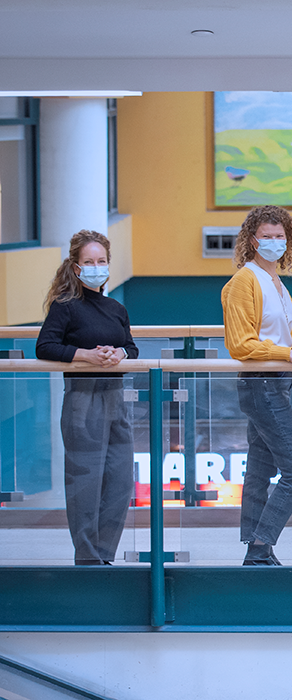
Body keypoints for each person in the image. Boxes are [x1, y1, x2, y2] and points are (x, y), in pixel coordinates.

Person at [221, 205, 292, 565]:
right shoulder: (242, 283)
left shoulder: (277, 284)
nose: (275, 242)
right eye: (267, 236)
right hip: (260, 384)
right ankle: (261, 546)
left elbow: (291, 333)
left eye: (280, 237)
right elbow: (241, 343)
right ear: (252, 240)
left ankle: (254, 548)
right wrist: (288, 354)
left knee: (261, 469)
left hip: (279, 382)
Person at [36, 230, 139, 565]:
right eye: (89, 262)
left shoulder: (116, 308)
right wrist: (86, 356)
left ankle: (105, 555)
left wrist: (118, 354)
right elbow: (45, 347)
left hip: (115, 397)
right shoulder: (65, 307)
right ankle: (87, 558)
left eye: (101, 261)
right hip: (82, 398)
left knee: (121, 479)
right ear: (76, 267)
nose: (96, 267)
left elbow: (133, 347)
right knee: (86, 481)